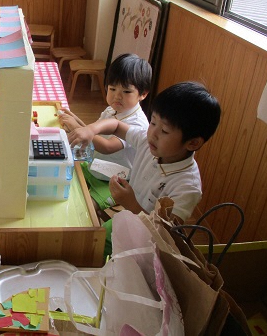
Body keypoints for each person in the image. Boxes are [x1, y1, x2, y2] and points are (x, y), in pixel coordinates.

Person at [68, 81, 221, 259]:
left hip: (147, 250)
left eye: (164, 130)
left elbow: (163, 235)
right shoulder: (148, 142)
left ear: (193, 143)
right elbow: (116, 126)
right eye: (153, 122)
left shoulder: (187, 187)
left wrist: (130, 202)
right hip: (126, 221)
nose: (152, 133)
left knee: (100, 259)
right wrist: (89, 130)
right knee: (89, 246)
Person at [59, 53, 151, 210]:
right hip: (95, 167)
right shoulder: (111, 110)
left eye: (126, 91)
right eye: (112, 88)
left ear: (143, 94)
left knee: (85, 209)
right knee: (63, 178)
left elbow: (107, 147)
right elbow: (92, 131)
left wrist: (76, 127)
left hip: (116, 180)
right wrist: (77, 120)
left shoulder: (137, 123)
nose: (117, 96)